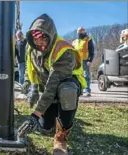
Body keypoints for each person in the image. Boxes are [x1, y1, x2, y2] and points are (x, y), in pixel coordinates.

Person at [17, 14, 87, 155]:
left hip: (65, 85)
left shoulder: (63, 50)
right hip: (49, 91)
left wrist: (35, 114)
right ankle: (56, 117)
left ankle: (61, 137)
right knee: (45, 127)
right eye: (36, 41)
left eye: (43, 40)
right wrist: (32, 87)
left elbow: (52, 85)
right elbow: (30, 70)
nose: (40, 45)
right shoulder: (32, 48)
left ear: (50, 35)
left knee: (67, 91)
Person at [72, 27, 94, 96]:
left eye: (81, 31)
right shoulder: (74, 41)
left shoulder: (88, 39)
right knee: (78, 76)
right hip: (76, 61)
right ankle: (80, 90)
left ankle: (87, 91)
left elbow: (91, 51)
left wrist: (90, 60)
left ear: (84, 31)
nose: (80, 32)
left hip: (85, 60)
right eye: (78, 31)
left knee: (86, 76)